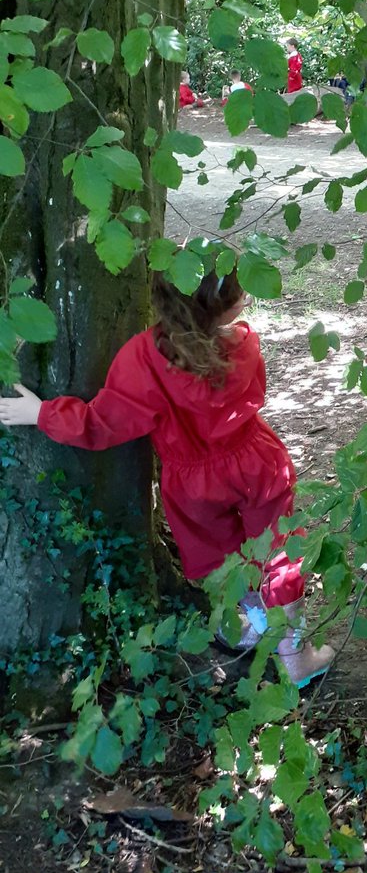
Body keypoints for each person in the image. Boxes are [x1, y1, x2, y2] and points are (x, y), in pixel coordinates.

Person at [0, 268, 333, 688]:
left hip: (192, 482)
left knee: (220, 553)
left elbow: (105, 422)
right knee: (278, 552)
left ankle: (249, 622)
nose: (246, 300)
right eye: (241, 294)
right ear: (223, 307)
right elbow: (251, 392)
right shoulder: (243, 344)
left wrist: (42, 414)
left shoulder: (144, 356)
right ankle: (294, 652)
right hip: (254, 465)